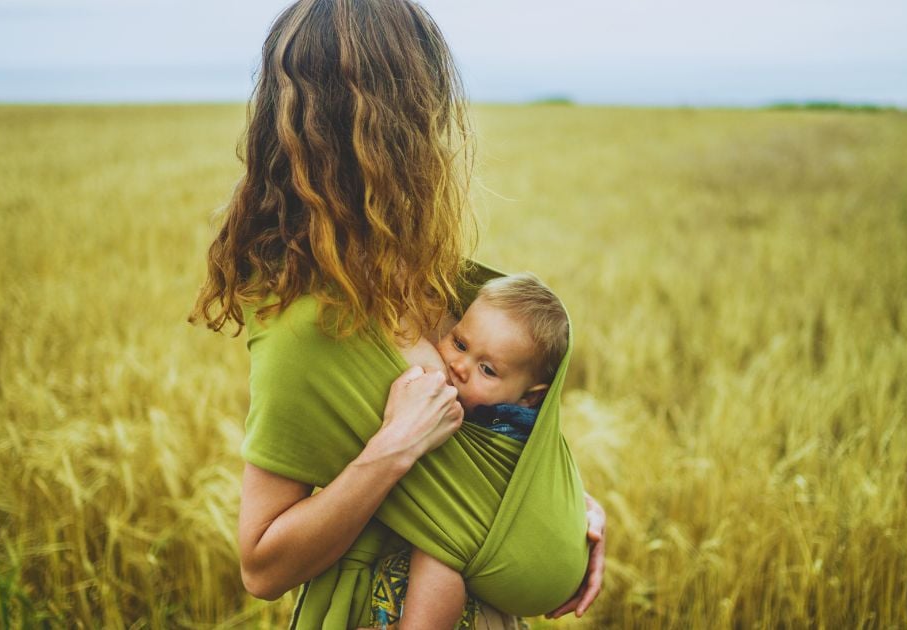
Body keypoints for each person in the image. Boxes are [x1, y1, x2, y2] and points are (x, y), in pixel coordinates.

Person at [189, 1, 606, 628]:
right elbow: (261, 566)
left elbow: (491, 444)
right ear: (405, 122)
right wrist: (392, 448)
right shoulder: (307, 328)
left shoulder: (436, 279)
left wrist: (559, 508)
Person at [373, 274, 569, 629]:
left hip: (469, 551)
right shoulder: (463, 385)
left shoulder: (509, 430)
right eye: (459, 343)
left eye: (487, 369)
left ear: (528, 397)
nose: (459, 368)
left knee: (443, 547)